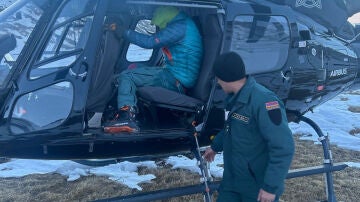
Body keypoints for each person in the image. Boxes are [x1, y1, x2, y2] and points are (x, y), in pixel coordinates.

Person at [203, 52, 294, 202]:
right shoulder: (234, 98)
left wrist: (270, 188)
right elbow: (231, 127)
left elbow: (283, 147)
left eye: (218, 78)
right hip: (232, 182)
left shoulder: (264, 101)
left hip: (256, 187)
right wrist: (215, 146)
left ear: (225, 77)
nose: (218, 82)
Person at [104, 6, 203, 133]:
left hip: (176, 79)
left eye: (155, 13)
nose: (154, 22)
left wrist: (123, 32)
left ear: (164, 13)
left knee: (127, 76)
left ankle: (126, 116)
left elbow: (150, 42)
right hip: (174, 75)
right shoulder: (183, 24)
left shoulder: (180, 27)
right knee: (133, 67)